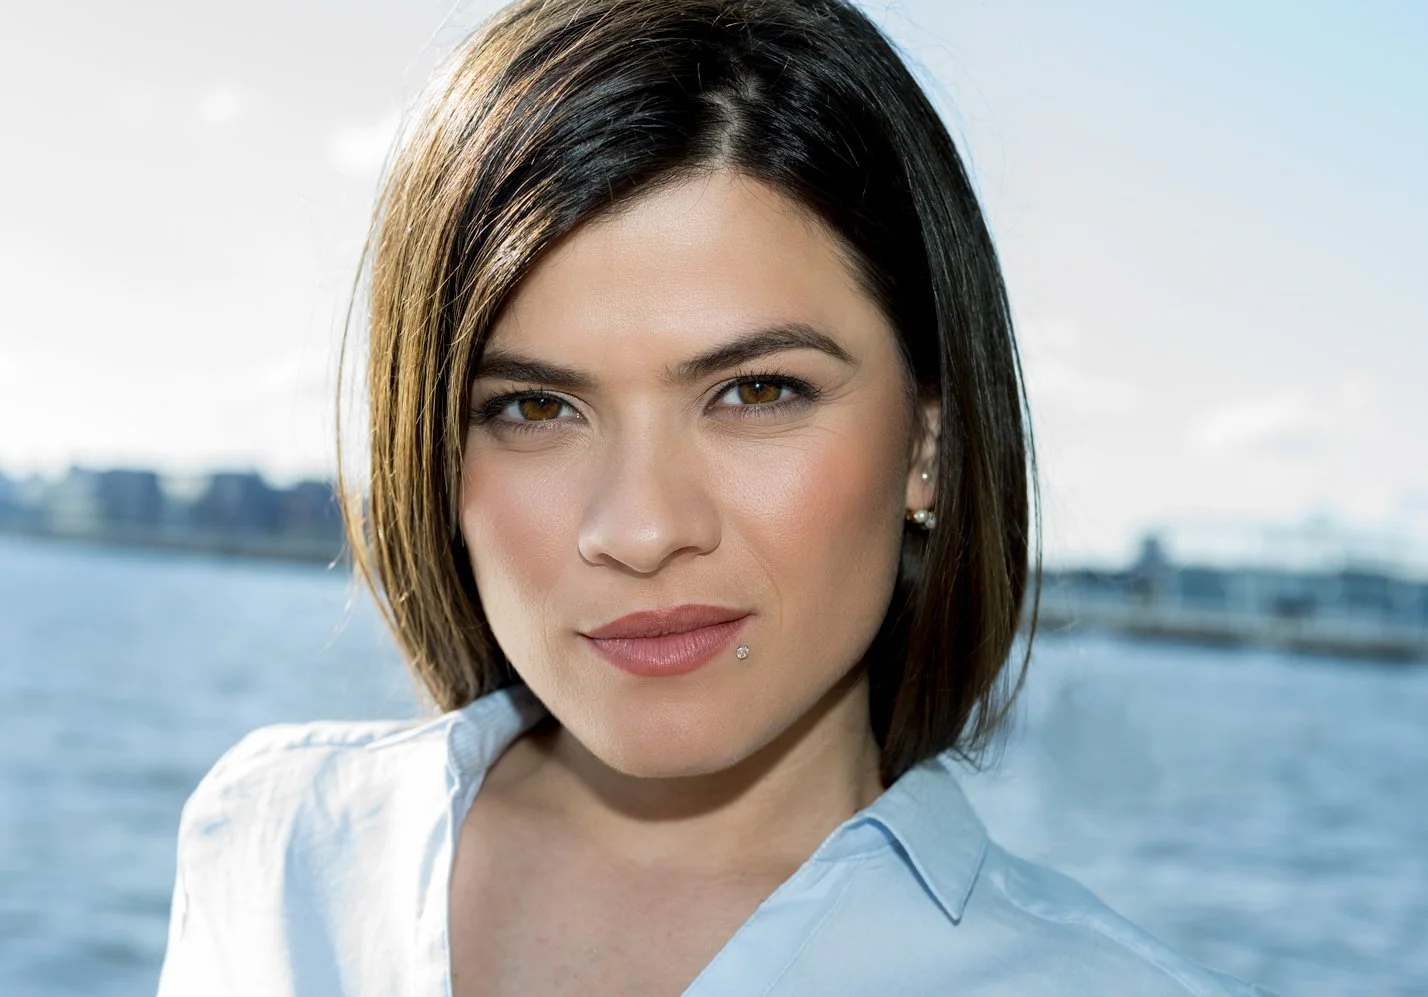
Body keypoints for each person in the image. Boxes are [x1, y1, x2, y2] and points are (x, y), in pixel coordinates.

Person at [157, 1, 1273, 994]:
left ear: (929, 440)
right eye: (535, 409)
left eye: (756, 390)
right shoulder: (277, 845)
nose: (641, 529)